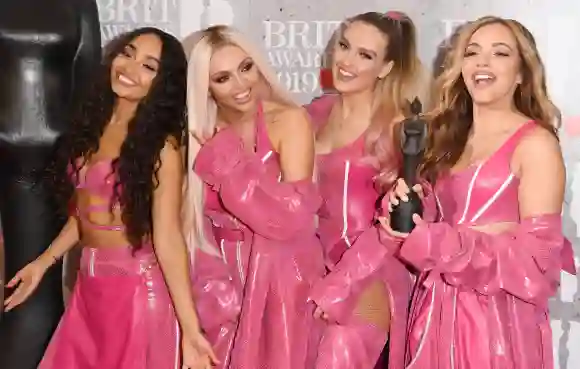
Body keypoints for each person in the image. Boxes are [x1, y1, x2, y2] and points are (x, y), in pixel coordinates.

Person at [3, 27, 216, 369]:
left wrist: (191, 332)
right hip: (89, 291)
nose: (130, 68)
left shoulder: (162, 147)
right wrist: (44, 262)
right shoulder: (93, 125)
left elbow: (168, 237)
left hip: (136, 293)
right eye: (128, 53)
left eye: (149, 66)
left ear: (161, 85)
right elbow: (86, 212)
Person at [382, 16, 576, 369]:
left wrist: (444, 242)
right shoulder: (444, 140)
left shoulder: (536, 144)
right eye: (472, 53)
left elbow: (539, 263)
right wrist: (402, 217)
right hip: (435, 315)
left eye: (500, 53)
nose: (482, 63)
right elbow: (421, 238)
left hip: (498, 325)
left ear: (521, 73)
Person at [185, 25, 325, 369]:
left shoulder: (288, 120)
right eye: (222, 78)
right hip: (218, 277)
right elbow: (188, 222)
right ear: (204, 85)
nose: (241, 84)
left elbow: (292, 218)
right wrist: (211, 287)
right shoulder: (196, 132)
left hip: (282, 275)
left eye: (245, 68)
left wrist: (227, 159)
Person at [304, 11, 424, 369]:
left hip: (371, 271)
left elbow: (399, 225)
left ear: (386, 68)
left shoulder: (398, 128)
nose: (347, 61)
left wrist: (342, 283)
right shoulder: (311, 114)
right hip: (310, 269)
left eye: (365, 55)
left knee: (341, 348)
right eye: (344, 46)